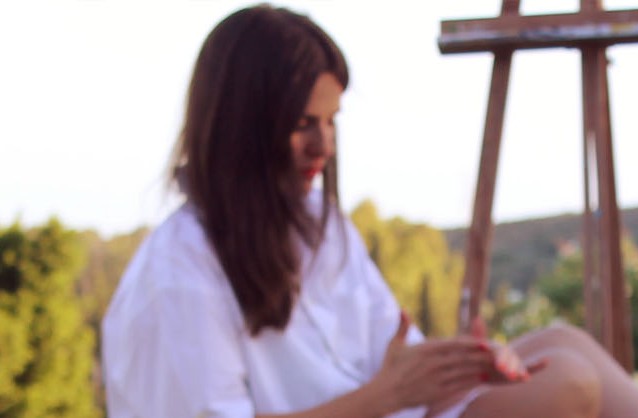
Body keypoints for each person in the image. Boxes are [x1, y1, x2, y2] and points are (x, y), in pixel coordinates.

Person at [101, 4, 638, 418]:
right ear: (243, 126)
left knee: (566, 343)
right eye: (303, 124)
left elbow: (398, 363)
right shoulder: (178, 274)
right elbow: (386, 390)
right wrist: (385, 396)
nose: (324, 146)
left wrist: (465, 365)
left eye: (330, 121)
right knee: (568, 383)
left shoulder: (319, 227)